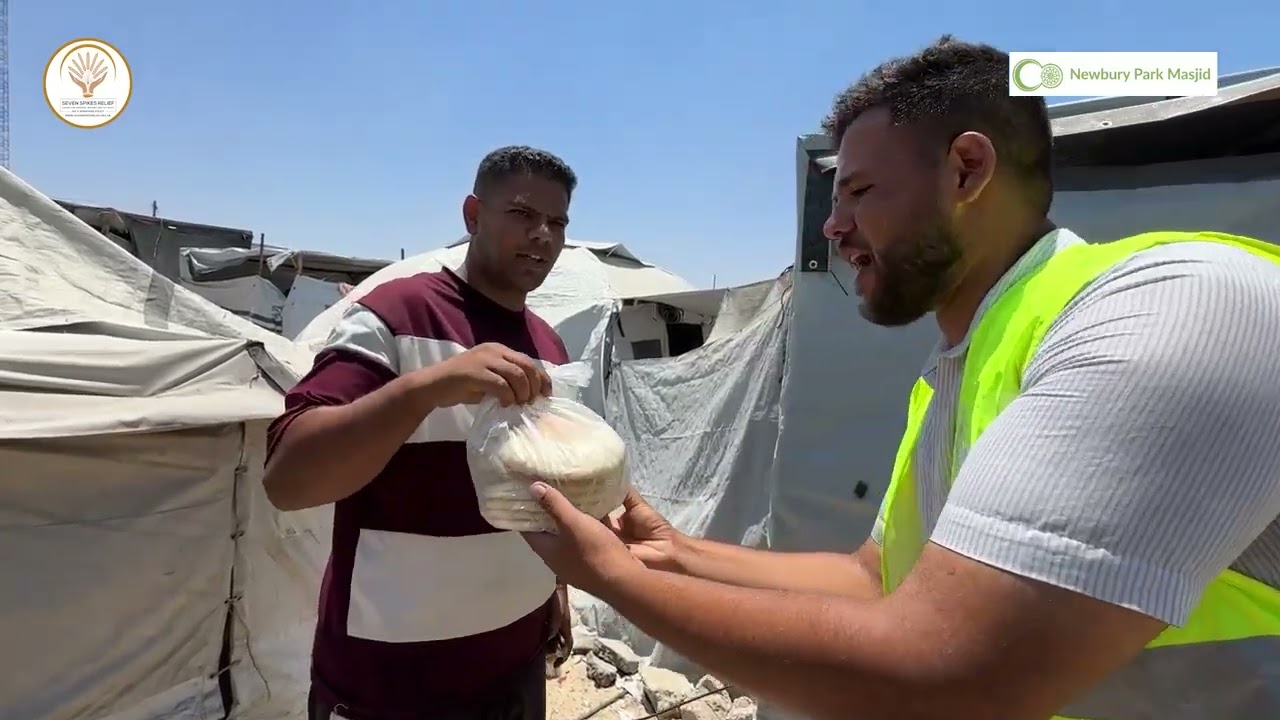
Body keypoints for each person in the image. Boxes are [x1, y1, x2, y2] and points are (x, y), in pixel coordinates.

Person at [521, 36, 1280, 720]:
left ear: (967, 169)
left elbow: (948, 674)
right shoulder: (954, 371)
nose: (832, 225)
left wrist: (616, 580)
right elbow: (876, 578)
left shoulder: (1177, 306)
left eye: (858, 192)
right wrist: (679, 555)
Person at [264, 145, 580, 720]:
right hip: (390, 686)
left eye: (557, 222)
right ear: (473, 215)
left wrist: (554, 586)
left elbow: (538, 487)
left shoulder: (549, 347)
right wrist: (426, 388)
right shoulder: (396, 314)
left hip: (514, 672)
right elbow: (288, 478)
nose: (543, 235)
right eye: (522, 214)